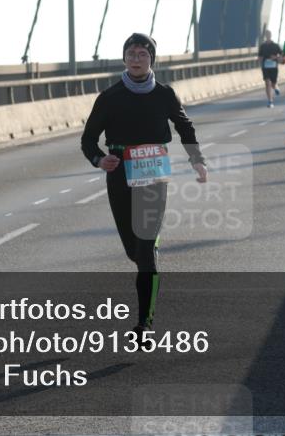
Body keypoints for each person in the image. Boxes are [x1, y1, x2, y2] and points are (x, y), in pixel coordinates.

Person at [81, 33, 207, 344]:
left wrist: (197, 161)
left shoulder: (164, 94)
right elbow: (88, 139)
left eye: (143, 53)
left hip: (153, 172)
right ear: (124, 58)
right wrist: (100, 159)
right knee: (132, 250)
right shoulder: (110, 97)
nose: (137, 58)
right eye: (131, 53)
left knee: (146, 251)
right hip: (121, 171)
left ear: (152, 59)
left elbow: (184, 126)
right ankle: (144, 253)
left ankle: (144, 323)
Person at [257, 29, 282, 108]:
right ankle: (270, 101)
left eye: (269, 34)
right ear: (265, 36)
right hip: (265, 67)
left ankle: (276, 87)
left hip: (274, 66)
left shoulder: (275, 45)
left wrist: (275, 57)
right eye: (266, 34)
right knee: (267, 83)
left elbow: (282, 55)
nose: (267, 36)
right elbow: (260, 56)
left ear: (271, 35)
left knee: (273, 83)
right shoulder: (263, 46)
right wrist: (261, 64)